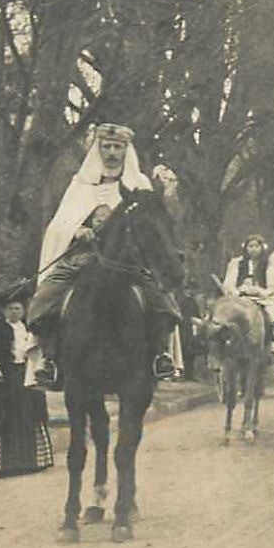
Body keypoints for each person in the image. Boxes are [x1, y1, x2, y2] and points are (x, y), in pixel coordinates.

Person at [27, 124, 178, 386]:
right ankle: (49, 358)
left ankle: (161, 354)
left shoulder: (139, 184)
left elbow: (154, 225)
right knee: (43, 298)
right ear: (97, 149)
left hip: (127, 261)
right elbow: (59, 224)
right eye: (106, 146)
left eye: (117, 147)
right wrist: (77, 230)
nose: (111, 152)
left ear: (125, 150)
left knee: (163, 302)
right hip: (83, 257)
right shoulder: (80, 185)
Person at [0, 281, 53, 478]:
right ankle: (8, 464)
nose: (14, 312)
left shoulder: (29, 328)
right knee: (7, 419)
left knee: (28, 417)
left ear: (23, 310)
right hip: (7, 378)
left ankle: (30, 461)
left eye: (17, 308)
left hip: (26, 374)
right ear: (4, 311)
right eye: (10, 309)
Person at [225, 235, 274, 355]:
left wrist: (263, 292)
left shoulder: (267, 264)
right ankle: (227, 339)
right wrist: (236, 291)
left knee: (273, 311)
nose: (253, 249)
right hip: (242, 296)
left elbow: (273, 284)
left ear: (262, 248)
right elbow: (229, 282)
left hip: (260, 297)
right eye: (250, 246)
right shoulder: (238, 264)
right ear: (246, 248)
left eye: (256, 246)